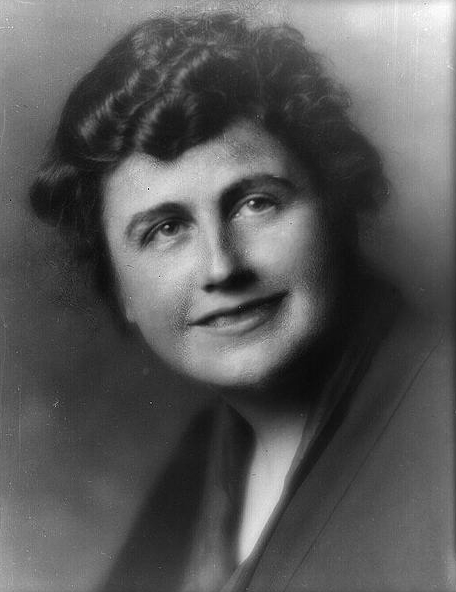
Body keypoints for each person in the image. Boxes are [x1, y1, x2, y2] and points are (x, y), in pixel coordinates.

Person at [30, 11, 453, 592]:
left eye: (256, 203)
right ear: (120, 287)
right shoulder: (196, 467)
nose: (222, 267)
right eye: (166, 229)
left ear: (336, 205)